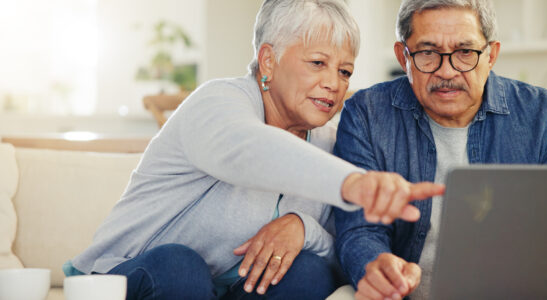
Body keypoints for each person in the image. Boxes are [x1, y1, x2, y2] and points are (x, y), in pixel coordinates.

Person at [63, 1, 444, 299]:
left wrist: (302, 228)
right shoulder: (217, 103)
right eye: (317, 63)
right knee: (181, 267)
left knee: (309, 273)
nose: (333, 83)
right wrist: (353, 183)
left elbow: (338, 249)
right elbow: (248, 151)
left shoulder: (328, 143)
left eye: (344, 71)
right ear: (268, 61)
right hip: (129, 279)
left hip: (227, 290)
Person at [333, 0, 547, 299]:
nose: (446, 71)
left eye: (464, 53)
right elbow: (358, 229)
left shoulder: (541, 113)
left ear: (491, 55)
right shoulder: (366, 114)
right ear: (403, 56)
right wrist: (375, 266)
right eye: (428, 53)